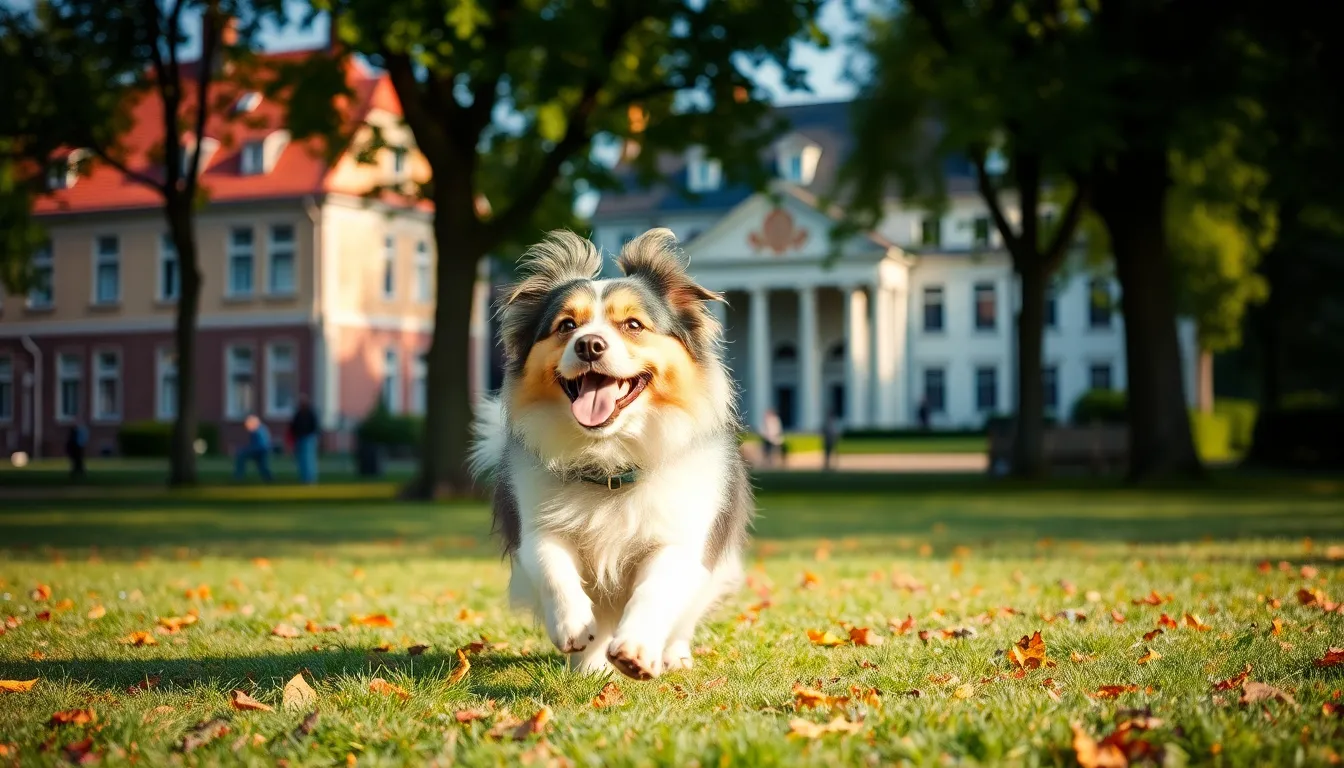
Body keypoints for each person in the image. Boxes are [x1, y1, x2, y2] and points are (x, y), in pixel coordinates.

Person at [288, 394, 320, 484]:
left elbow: (314, 426)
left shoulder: (310, 413)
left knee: (309, 459)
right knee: (301, 460)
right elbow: (293, 426)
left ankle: (310, 478)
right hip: (300, 438)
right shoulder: (298, 414)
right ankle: (304, 478)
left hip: (309, 438)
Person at [234, 415, 273, 482]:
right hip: (263, 450)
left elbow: (256, 444)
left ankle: (238, 476)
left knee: (241, 456)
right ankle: (269, 478)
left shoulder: (256, 431)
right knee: (262, 465)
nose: (247, 427)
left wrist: (244, 449)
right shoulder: (262, 428)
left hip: (259, 450)